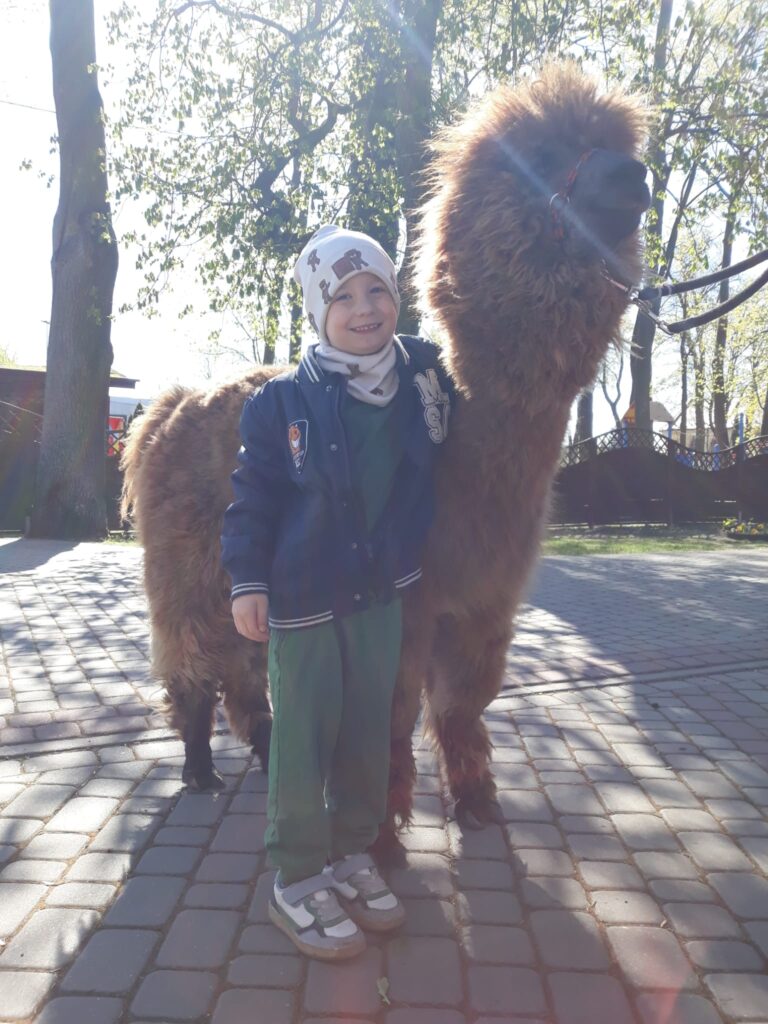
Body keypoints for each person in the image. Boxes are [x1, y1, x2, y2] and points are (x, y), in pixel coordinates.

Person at [221, 224, 452, 960]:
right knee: (303, 736)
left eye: (376, 290)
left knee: (366, 728)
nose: (364, 308)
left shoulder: (423, 379)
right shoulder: (282, 401)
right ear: (319, 313)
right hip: (304, 598)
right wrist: (248, 581)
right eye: (343, 297)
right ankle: (295, 876)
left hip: (380, 594)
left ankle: (352, 849)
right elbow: (253, 497)